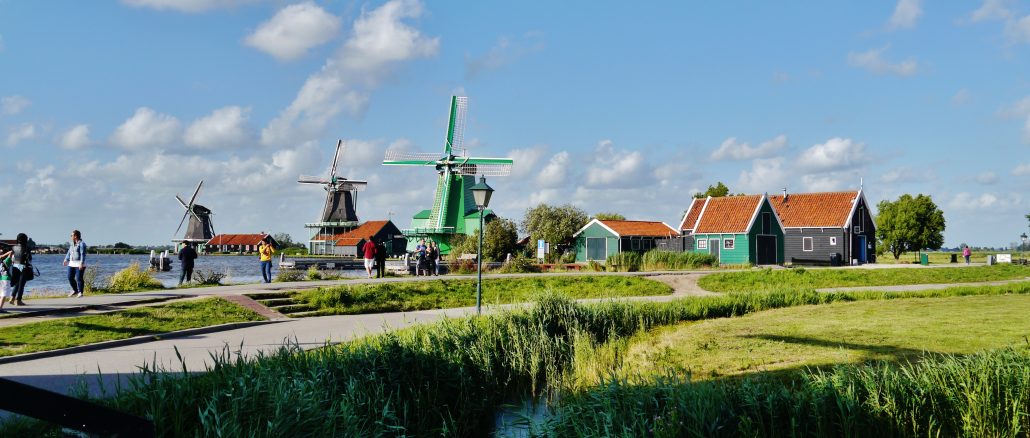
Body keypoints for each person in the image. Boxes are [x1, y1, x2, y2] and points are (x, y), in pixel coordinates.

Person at [9, 233, 32, 306]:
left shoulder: (14, 247)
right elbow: (29, 258)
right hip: (23, 266)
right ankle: (18, 301)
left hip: (15, 266)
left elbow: (12, 257)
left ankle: (12, 298)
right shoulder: (27, 248)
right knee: (21, 284)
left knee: (17, 283)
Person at [64, 230, 87, 298]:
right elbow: (69, 252)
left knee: (79, 278)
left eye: (72, 235)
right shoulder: (72, 243)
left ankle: (80, 292)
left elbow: (83, 254)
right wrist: (66, 259)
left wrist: (81, 263)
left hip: (79, 263)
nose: (71, 236)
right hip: (71, 263)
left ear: (75, 236)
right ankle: (75, 290)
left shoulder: (82, 244)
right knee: (70, 277)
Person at [0, 248, 12, 312]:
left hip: (0, 278)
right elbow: (10, 253)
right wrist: (9, 252)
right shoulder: (7, 260)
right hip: (6, 279)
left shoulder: (0, 262)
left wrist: (2, 254)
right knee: (3, 294)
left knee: (1, 294)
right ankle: (0, 308)